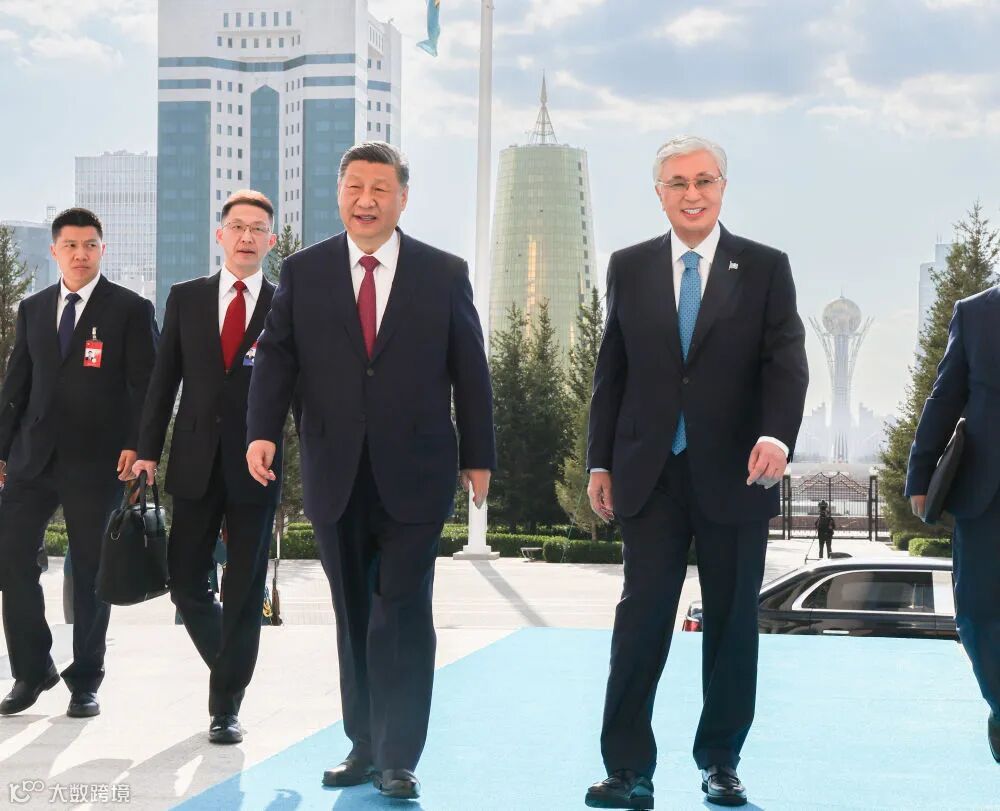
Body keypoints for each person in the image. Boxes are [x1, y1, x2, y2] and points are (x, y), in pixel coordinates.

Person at [245, 141, 495, 799]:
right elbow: (276, 357)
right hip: (335, 468)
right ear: (339, 194)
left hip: (418, 470)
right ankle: (363, 743)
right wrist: (261, 432)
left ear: (402, 198)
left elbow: (471, 368)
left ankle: (399, 756)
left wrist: (479, 455)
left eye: (380, 189)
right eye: (355, 187)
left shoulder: (443, 273)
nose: (366, 200)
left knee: (402, 611)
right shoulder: (304, 272)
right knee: (353, 611)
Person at [584, 136, 808, 809]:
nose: (692, 193)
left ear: (722, 187)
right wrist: (600, 459)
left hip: (737, 473)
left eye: (704, 180)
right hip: (648, 473)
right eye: (677, 182)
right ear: (659, 193)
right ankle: (627, 769)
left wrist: (776, 434)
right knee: (640, 621)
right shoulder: (628, 266)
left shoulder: (765, 266)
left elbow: (786, 360)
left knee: (732, 622)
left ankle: (721, 761)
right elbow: (612, 369)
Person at [132, 190, 280, 744]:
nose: (246, 237)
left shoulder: (285, 304)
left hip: (257, 466)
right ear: (220, 235)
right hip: (193, 460)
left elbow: (300, 389)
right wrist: (147, 450)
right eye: (237, 226)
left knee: (244, 585)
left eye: (257, 229)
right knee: (185, 580)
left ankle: (225, 707)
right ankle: (231, 665)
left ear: (270, 240)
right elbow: (162, 381)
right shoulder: (186, 297)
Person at [0, 207, 158, 718]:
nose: (80, 254)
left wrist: (140, 446)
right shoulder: (33, 308)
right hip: (32, 458)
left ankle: (85, 680)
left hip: (99, 461)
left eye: (90, 245)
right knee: (10, 557)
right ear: (55, 251)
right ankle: (32, 670)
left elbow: (148, 386)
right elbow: (16, 385)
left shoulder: (130, 309)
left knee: (92, 570)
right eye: (70, 245)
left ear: (102, 249)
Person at [906, 286, 1000, 764]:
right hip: (987, 495)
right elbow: (944, 397)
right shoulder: (975, 313)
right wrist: (921, 474)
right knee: (976, 614)